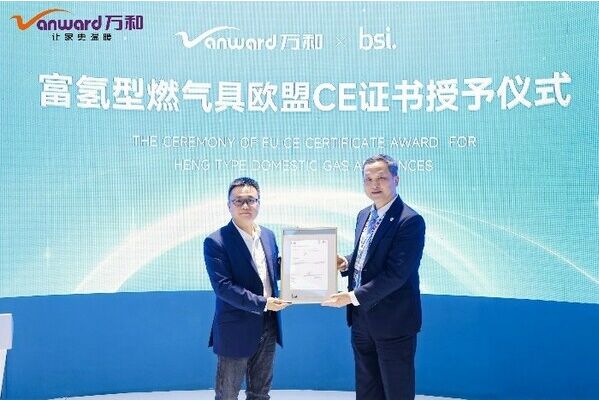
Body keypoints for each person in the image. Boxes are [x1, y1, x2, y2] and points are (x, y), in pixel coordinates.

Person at [322, 154, 426, 400]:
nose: (374, 184)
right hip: (362, 319)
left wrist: (351, 296)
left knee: (396, 391)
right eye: (368, 179)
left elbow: (396, 274)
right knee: (367, 389)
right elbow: (368, 256)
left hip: (393, 321)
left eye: (381, 178)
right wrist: (346, 262)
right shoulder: (364, 215)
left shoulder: (409, 221)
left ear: (396, 179)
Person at [204, 177, 290, 400]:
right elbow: (223, 287)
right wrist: (264, 303)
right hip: (235, 327)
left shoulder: (268, 235)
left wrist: (313, 261)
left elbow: (273, 270)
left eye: (251, 200)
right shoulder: (216, 241)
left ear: (259, 203)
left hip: (268, 324)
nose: (245, 206)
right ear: (229, 205)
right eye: (238, 201)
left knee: (260, 394)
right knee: (227, 395)